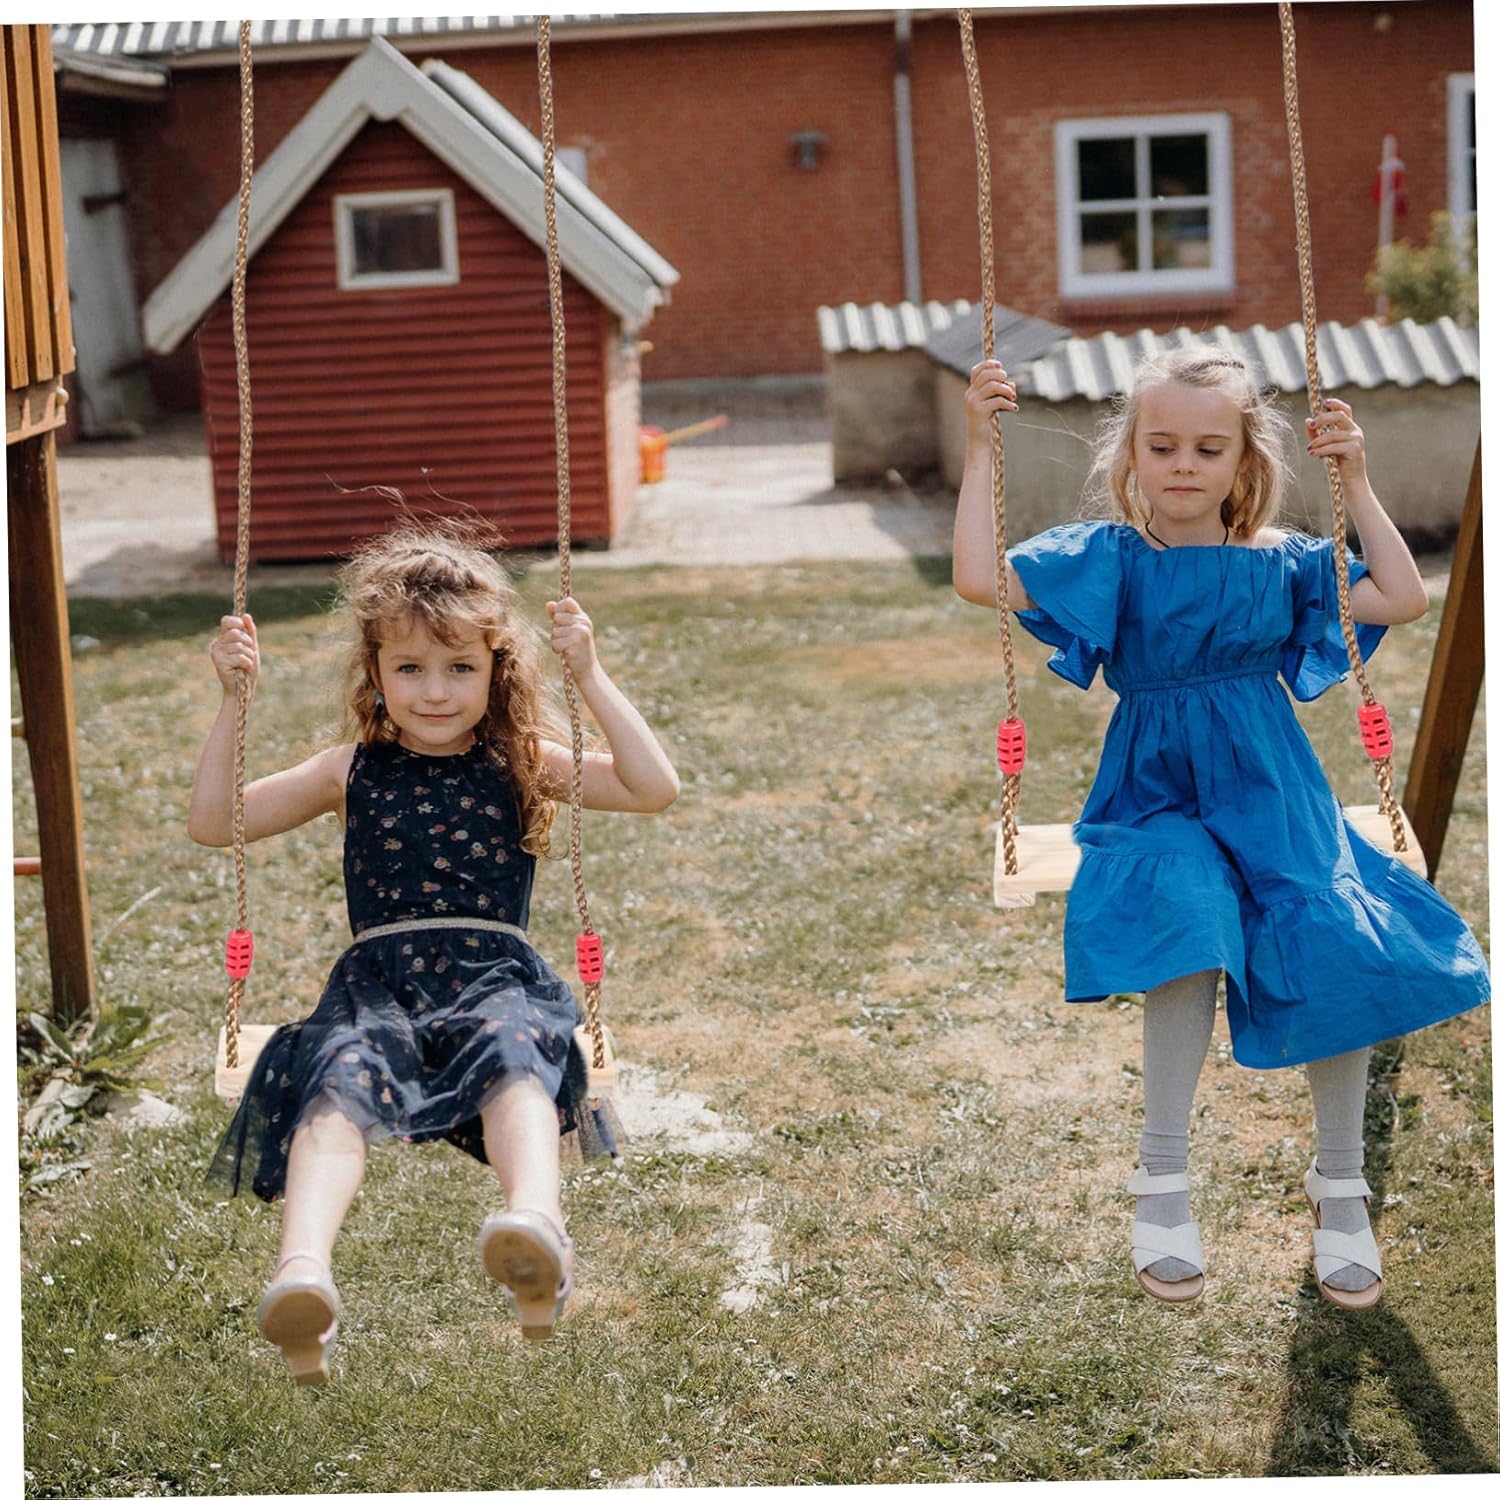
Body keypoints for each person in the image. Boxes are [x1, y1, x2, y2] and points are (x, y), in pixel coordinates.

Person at [953, 346, 1488, 1310]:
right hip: (1154, 791)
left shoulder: (1282, 562)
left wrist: (1357, 483)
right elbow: (978, 579)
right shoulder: (1111, 558)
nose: (1184, 465)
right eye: (1162, 445)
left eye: (1209, 448)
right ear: (1131, 453)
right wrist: (979, 447)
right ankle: (1161, 1176)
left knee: (1331, 941)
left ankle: (1340, 1183)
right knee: (1186, 920)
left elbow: (1402, 599)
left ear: (1246, 459)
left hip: (1272, 789)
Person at [188, 523, 679, 1381]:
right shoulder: (347, 770)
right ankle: (302, 1273)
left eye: (460, 667)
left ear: (497, 671)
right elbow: (213, 822)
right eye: (410, 668)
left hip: (494, 977)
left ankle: (537, 1227)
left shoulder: (521, 761)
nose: (437, 691)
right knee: (334, 1082)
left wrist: (591, 675)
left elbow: (652, 788)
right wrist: (234, 699)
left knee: (513, 1053)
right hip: (377, 987)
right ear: (375, 672)